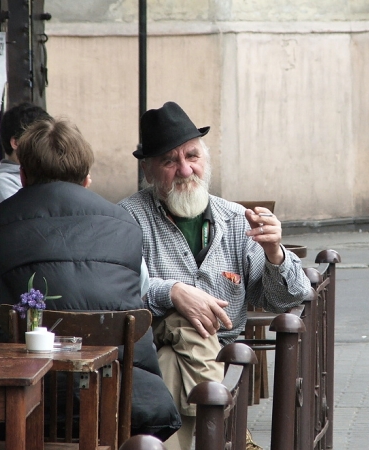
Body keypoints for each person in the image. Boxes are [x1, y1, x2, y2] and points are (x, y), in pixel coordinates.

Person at [0, 117, 181, 441]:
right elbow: (140, 292)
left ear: (23, 176)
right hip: (125, 398)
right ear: (86, 179)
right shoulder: (125, 224)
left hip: (23, 402)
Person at [118, 101, 313, 450]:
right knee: (187, 326)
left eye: (191, 156)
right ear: (148, 171)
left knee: (171, 369)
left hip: (214, 357)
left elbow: (290, 297)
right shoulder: (128, 219)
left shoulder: (236, 219)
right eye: (169, 161)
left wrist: (275, 253)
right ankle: (231, 435)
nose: (184, 169)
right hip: (152, 343)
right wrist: (173, 292)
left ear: (205, 161)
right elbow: (122, 293)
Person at [0, 102, 51, 210]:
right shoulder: (2, 183)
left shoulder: (49, 172)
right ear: (16, 143)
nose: (46, 146)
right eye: (38, 139)